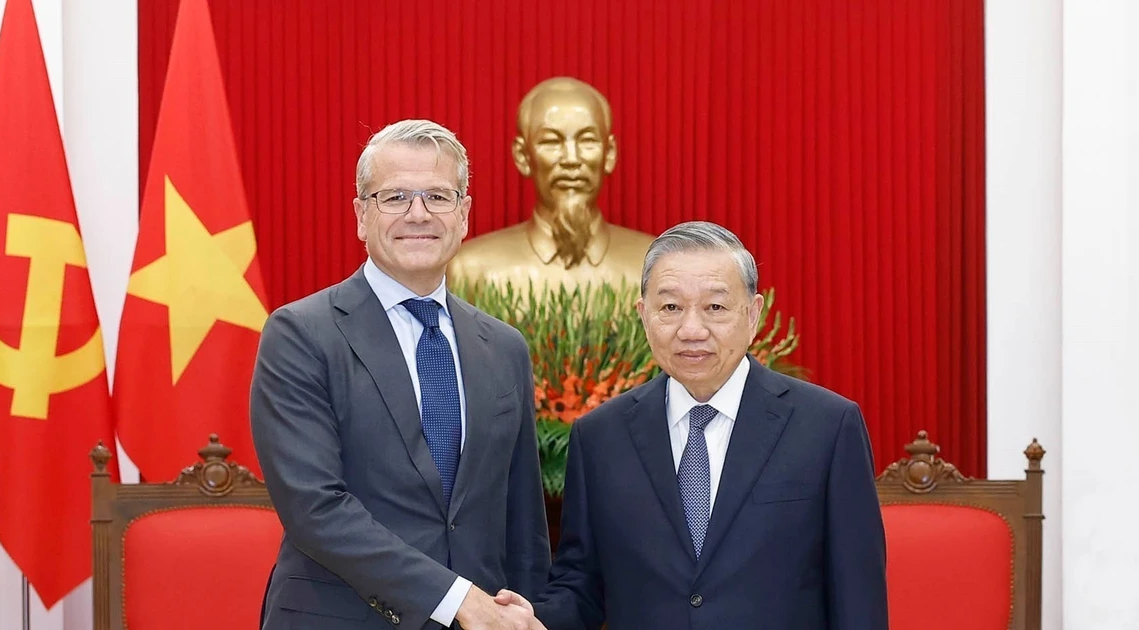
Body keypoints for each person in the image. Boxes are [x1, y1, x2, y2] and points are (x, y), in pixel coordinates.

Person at [496, 221, 889, 629]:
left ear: (753, 314)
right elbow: (582, 584)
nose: (691, 330)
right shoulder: (600, 436)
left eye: (715, 307)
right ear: (643, 315)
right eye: (670, 308)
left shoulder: (826, 427)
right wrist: (536, 620)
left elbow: (857, 598)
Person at [250, 119, 551, 629]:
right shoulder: (299, 335)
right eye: (393, 198)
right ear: (361, 216)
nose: (418, 214)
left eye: (438, 195)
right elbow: (315, 509)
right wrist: (458, 600)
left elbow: (523, 521)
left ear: (464, 214)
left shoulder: (504, 348)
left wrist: (528, 613)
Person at [447, 77, 654, 293]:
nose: (571, 159)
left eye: (587, 140)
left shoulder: (655, 267)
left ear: (609, 153)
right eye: (551, 142)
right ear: (523, 156)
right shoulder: (471, 271)